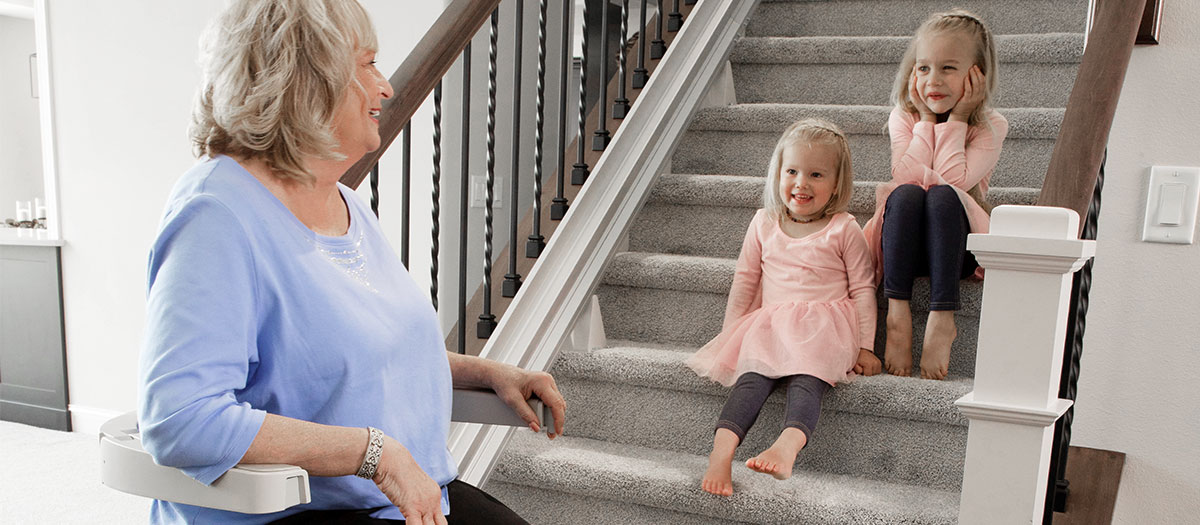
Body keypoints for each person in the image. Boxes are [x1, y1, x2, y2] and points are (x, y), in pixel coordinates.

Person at [136, 1, 565, 524]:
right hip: (293, 513)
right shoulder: (217, 213)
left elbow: (350, 358)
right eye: (368, 65)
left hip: (403, 497)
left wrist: (487, 373)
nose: (385, 87)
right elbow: (180, 419)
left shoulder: (346, 201)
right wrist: (373, 454)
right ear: (305, 79)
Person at [686, 119, 881, 497]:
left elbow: (863, 289)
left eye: (816, 174)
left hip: (823, 326)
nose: (801, 183)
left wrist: (866, 345)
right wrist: (732, 334)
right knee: (751, 381)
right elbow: (745, 282)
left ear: (837, 184)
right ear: (778, 172)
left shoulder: (843, 228)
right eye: (791, 171)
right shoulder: (764, 223)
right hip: (771, 325)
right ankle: (721, 453)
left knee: (809, 381)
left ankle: (787, 446)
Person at [863, 9, 1008, 380]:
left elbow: (952, 179)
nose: (933, 80)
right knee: (907, 194)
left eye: (948, 68)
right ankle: (897, 315)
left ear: (977, 75)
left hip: (954, 250)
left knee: (942, 196)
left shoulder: (990, 126)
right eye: (924, 68)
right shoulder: (904, 116)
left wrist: (958, 118)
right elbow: (907, 176)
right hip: (902, 247)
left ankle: (943, 317)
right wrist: (926, 119)